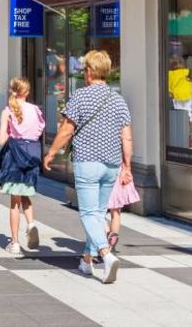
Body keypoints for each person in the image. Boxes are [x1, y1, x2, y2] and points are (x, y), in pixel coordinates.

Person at [43, 50, 132, 284]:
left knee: (88, 214)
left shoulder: (80, 96)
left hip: (88, 162)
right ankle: (86, 260)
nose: (84, 73)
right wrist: (127, 166)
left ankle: (105, 254)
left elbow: (67, 129)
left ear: (91, 72)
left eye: (84, 69)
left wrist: (51, 152)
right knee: (98, 214)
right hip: (111, 163)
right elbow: (126, 136)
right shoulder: (118, 99)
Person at [0, 77, 45, 255]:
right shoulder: (36, 110)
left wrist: (11, 134)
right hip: (31, 155)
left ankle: (15, 242)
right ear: (27, 92)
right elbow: (38, 132)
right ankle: (31, 224)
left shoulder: (8, 111)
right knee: (26, 194)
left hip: (15, 157)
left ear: (12, 91)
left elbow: (1, 140)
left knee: (14, 203)